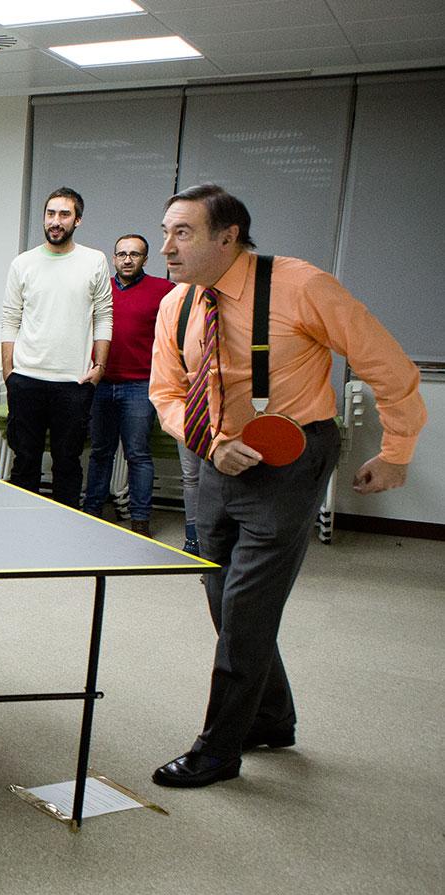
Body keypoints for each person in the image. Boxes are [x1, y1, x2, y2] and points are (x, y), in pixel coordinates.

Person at [148, 184, 426, 788]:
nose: (165, 247)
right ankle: (271, 715)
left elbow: (388, 365)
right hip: (219, 457)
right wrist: (214, 444)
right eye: (165, 232)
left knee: (246, 607)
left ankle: (218, 750)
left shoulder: (302, 285)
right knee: (219, 592)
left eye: (182, 233)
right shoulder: (178, 307)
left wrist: (397, 451)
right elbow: (166, 393)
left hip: (293, 459)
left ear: (229, 236)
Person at [0, 187, 113, 506]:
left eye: (64, 214)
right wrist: (10, 372)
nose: (55, 221)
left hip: (73, 383)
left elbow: (104, 316)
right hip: (26, 379)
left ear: (77, 220)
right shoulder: (23, 263)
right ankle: (21, 530)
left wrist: (100, 368)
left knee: (67, 463)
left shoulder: (94, 261)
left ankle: (65, 538)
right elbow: (10, 319)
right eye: (50, 213)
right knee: (24, 463)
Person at [82, 234, 174, 536]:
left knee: (137, 453)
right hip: (101, 383)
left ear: (146, 259)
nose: (127, 259)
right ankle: (92, 513)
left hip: (139, 385)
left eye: (135, 254)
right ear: (113, 257)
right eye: (121, 254)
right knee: (100, 452)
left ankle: (140, 521)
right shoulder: (101, 288)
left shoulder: (163, 291)